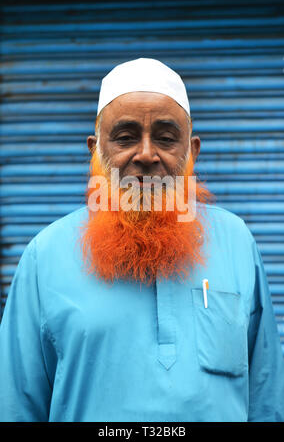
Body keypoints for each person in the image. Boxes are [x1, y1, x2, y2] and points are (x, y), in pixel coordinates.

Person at [0, 58, 283, 422]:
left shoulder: (237, 242)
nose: (147, 155)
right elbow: (14, 408)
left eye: (166, 138)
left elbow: (266, 399)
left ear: (192, 151)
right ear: (95, 151)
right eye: (125, 137)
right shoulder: (45, 256)